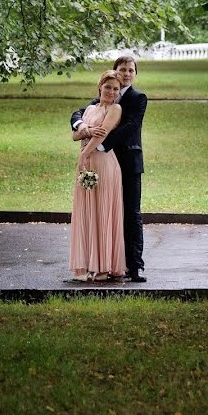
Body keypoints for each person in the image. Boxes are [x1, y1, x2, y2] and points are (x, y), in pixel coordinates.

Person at [71, 56, 147, 282]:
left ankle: (134, 266)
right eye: (122, 69)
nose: (126, 74)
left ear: (135, 74)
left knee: (130, 213)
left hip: (126, 161)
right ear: (114, 71)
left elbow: (129, 127)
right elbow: (78, 113)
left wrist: (97, 147)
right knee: (102, 211)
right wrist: (82, 126)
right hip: (100, 161)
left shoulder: (137, 98)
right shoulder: (106, 94)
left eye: (130, 70)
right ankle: (103, 261)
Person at [69, 70, 127, 281]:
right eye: (108, 87)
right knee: (87, 211)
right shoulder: (91, 108)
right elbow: (75, 135)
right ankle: (87, 264)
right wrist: (86, 130)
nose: (111, 92)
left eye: (116, 89)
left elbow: (103, 132)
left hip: (102, 163)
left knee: (102, 211)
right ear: (100, 86)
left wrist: (84, 154)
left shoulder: (115, 109)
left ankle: (103, 267)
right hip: (85, 163)